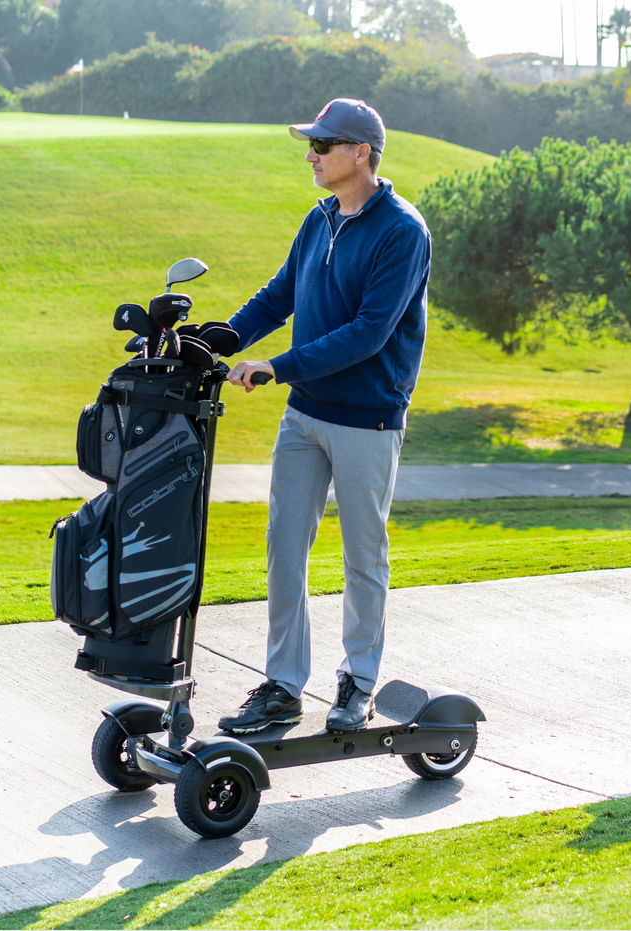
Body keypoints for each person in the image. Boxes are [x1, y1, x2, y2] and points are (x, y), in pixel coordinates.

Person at [217, 98, 431, 734]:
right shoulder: (319, 220)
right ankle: (284, 685)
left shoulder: (402, 230)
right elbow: (280, 294)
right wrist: (222, 339)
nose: (310, 155)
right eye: (310, 144)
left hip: (367, 418)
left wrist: (275, 368)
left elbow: (368, 333)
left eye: (322, 145)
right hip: (305, 416)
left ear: (360, 152)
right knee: (285, 547)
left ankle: (358, 680)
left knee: (363, 555)